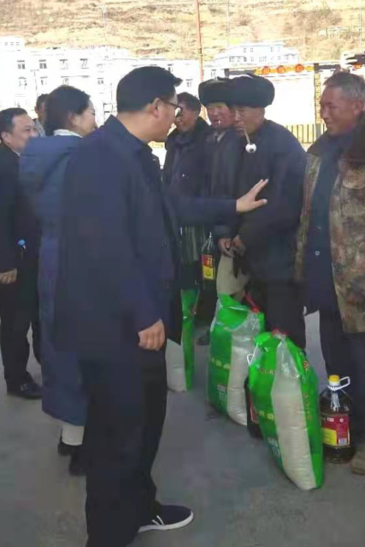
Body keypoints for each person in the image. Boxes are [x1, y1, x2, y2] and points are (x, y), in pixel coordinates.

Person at [54, 66, 268, 547]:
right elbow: (106, 246)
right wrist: (143, 312)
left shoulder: (132, 154)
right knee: (117, 437)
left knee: (144, 425)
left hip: (137, 321)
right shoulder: (100, 158)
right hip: (116, 327)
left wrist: (232, 206)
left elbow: (170, 207)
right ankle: (108, 534)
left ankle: (139, 508)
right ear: (155, 106)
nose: (175, 114)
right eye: (172, 105)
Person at [295, 73, 365, 475]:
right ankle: (345, 428)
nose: (323, 113)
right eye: (321, 105)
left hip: (362, 287)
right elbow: (309, 214)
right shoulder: (319, 150)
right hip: (325, 280)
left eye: (330, 106)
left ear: (357, 106)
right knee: (336, 363)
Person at [20, 86, 97, 476]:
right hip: (82, 261)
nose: (95, 121)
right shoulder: (83, 157)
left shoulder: (35, 155)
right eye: (91, 113)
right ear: (73, 118)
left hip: (51, 257)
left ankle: (70, 436)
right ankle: (85, 446)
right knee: (86, 350)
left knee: (60, 347)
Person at [227, 73, 308, 348]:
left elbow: (284, 204)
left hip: (280, 260)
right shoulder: (240, 142)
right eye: (233, 110)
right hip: (253, 259)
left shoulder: (282, 144)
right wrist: (228, 232)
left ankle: (291, 375)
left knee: (284, 334)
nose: (235, 118)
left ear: (261, 109)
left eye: (242, 111)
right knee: (259, 333)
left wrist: (245, 237)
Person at [0, 108, 42, 399]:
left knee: (36, 316)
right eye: (26, 131)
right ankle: (16, 379)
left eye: (33, 128)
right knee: (16, 325)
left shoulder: (23, 160)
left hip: (31, 257)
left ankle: (46, 366)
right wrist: (5, 263)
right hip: (13, 265)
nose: (34, 134)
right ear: (6, 136)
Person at [199, 78, 245, 342]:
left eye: (219, 107)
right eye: (209, 108)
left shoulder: (237, 140)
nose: (214, 113)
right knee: (215, 282)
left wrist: (225, 230)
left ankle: (231, 338)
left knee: (231, 287)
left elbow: (230, 188)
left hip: (231, 227)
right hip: (215, 222)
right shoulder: (210, 139)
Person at [163, 91, 211, 290]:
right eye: (175, 113)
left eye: (181, 112)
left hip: (200, 215)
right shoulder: (173, 141)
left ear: (196, 112)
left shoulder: (208, 139)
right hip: (175, 213)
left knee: (200, 267)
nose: (177, 119)